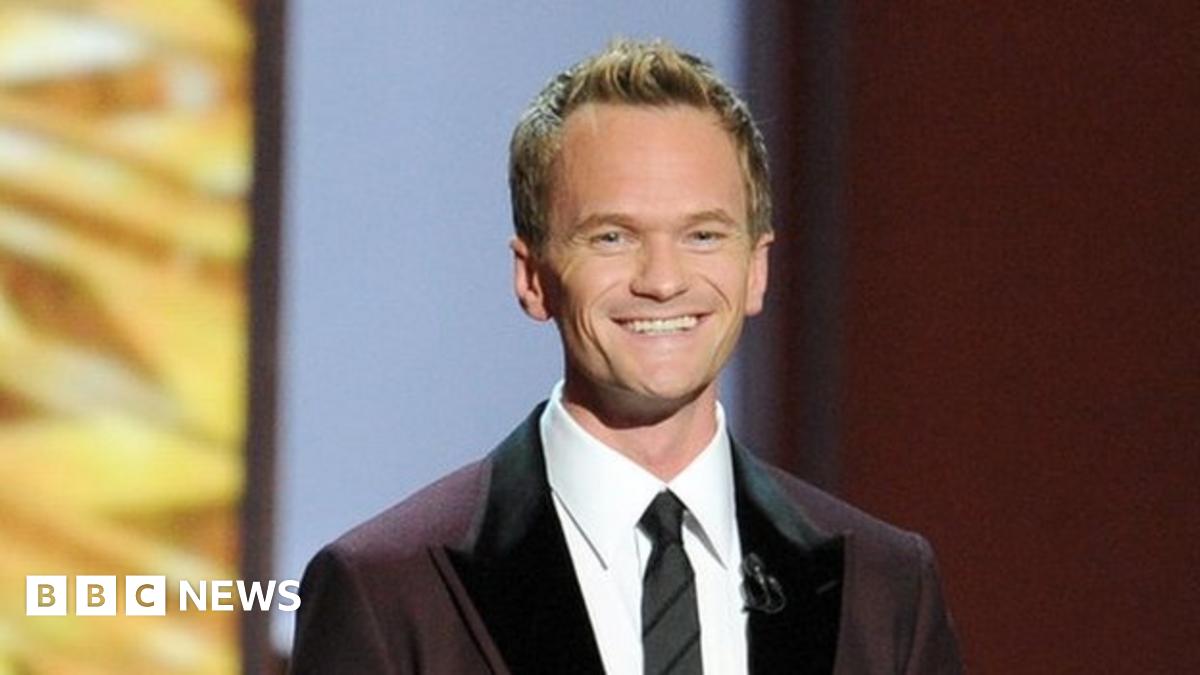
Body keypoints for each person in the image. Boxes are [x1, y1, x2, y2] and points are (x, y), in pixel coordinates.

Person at [290, 39, 963, 674]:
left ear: (756, 268)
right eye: (612, 237)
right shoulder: (387, 590)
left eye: (703, 235)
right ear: (533, 277)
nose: (663, 280)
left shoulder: (885, 589)